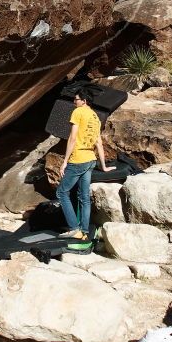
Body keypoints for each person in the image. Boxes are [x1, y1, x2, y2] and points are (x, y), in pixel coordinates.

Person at [57, 89, 115, 240]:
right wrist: (103, 166)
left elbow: (72, 138)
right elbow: (99, 143)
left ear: (84, 101)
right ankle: (84, 232)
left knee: (62, 192)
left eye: (76, 100)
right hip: (90, 159)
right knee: (84, 197)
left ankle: (74, 228)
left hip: (78, 159)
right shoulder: (95, 117)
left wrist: (64, 162)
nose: (74, 102)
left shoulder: (78, 112)